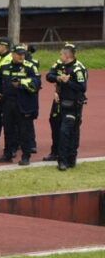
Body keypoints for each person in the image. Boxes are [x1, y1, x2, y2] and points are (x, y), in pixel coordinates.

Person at [0, 45, 41, 166]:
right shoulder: (5, 67)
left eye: (23, 54)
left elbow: (36, 83)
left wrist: (21, 83)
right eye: (19, 54)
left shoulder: (30, 67)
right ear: (12, 54)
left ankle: (26, 156)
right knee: (8, 129)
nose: (21, 56)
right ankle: (8, 154)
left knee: (24, 131)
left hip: (23, 103)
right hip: (8, 103)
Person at [45, 43, 88, 171]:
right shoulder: (60, 64)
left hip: (73, 105)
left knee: (68, 132)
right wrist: (59, 78)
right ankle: (60, 157)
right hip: (60, 103)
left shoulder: (78, 68)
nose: (59, 56)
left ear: (67, 55)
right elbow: (49, 76)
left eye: (61, 54)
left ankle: (67, 160)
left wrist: (67, 81)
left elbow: (82, 87)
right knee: (57, 126)